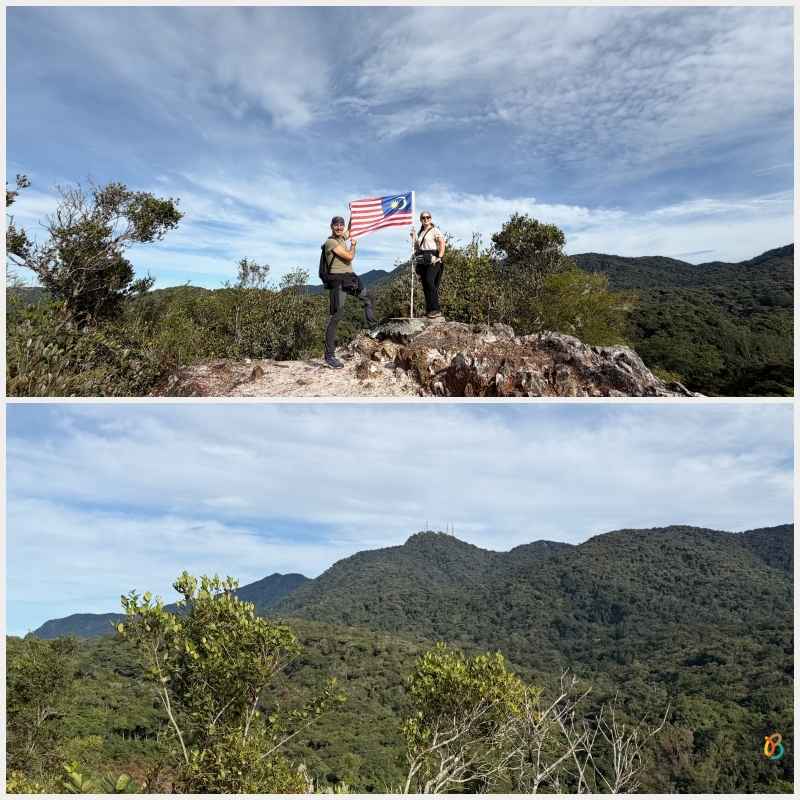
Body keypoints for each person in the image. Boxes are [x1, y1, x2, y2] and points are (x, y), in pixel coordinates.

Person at [322, 215, 376, 369]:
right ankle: (330, 356)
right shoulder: (330, 242)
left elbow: (350, 230)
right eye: (336, 225)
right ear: (331, 226)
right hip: (337, 282)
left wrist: (355, 214)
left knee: (369, 297)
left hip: (349, 279)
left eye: (341, 225)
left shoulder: (340, 238)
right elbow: (349, 256)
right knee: (336, 316)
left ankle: (373, 329)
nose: (339, 227)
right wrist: (353, 245)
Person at [411, 210, 446, 318]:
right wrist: (414, 238)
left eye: (428, 217)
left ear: (431, 219)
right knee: (425, 285)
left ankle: (436, 309)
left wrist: (439, 257)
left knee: (430, 282)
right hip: (423, 259)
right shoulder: (420, 232)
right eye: (423, 218)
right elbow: (418, 247)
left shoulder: (435, 230)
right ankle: (429, 310)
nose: (426, 219)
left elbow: (442, 243)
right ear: (421, 220)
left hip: (433, 258)